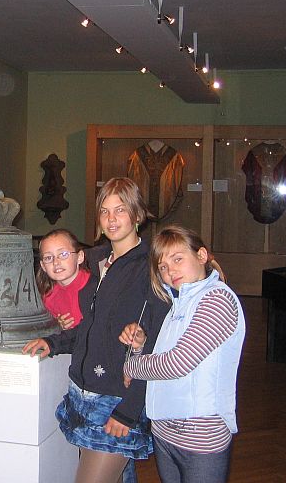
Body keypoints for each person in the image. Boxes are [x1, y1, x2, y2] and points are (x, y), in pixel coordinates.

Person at [23, 177, 169, 483]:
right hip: (82, 393)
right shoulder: (96, 260)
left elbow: (158, 344)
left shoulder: (151, 265)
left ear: (137, 214)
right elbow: (90, 325)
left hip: (117, 398)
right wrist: (53, 342)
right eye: (105, 211)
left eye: (120, 210)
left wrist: (130, 408)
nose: (111, 219)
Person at [120, 225, 245, 483]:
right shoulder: (178, 304)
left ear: (201, 255)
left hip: (199, 437)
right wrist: (141, 346)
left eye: (177, 259)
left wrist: (132, 366)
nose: (170, 271)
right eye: (163, 267)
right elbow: (167, 358)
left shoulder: (217, 299)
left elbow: (178, 363)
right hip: (165, 432)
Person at [36, 228, 88, 330]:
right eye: (48, 258)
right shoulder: (49, 298)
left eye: (63, 254)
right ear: (43, 266)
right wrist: (57, 325)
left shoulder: (97, 288)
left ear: (80, 257)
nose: (56, 262)